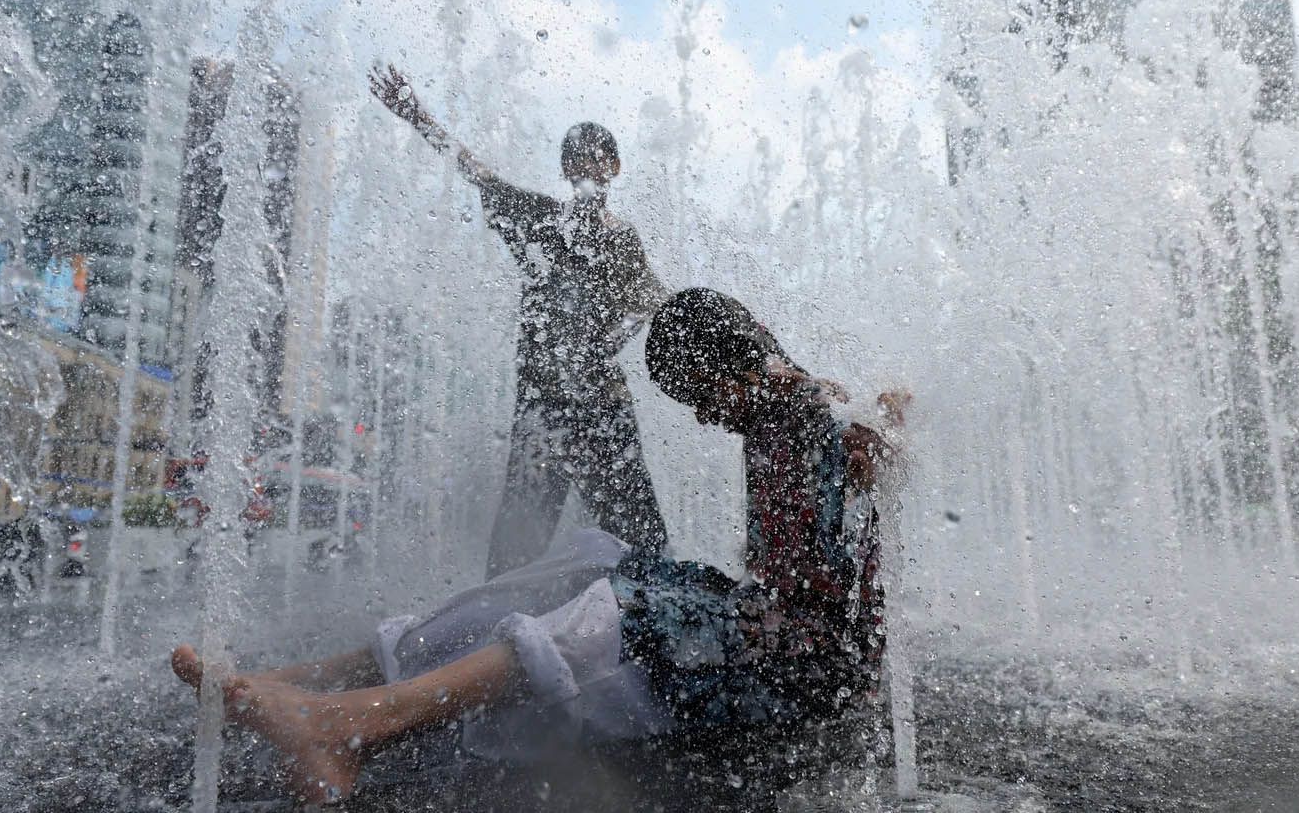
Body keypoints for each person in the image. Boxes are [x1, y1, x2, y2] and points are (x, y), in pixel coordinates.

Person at [169, 288, 906, 805]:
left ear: (733, 363)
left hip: (808, 671)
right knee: (595, 553)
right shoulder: (788, 403)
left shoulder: (804, 415)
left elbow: (831, 579)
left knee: (622, 607)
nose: (705, 418)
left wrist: (880, 438)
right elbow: (877, 420)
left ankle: (351, 723)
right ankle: (301, 680)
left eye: (702, 396)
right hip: (772, 627)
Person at [371, 64, 669, 577]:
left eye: (593, 156)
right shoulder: (542, 219)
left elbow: (654, 302)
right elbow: (478, 173)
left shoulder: (623, 241)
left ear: (614, 167)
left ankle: (645, 616)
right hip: (543, 409)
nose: (583, 165)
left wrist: (609, 342)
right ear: (565, 169)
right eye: (573, 158)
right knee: (515, 550)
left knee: (642, 544)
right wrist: (417, 116)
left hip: (603, 408)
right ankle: (499, 619)